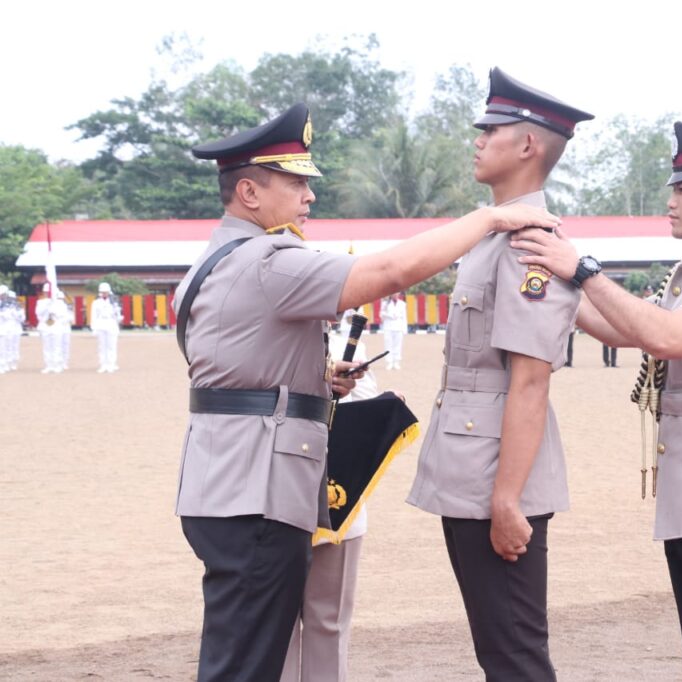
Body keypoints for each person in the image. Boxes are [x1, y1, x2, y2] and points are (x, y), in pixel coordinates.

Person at [176, 102, 558, 682]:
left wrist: (314, 380)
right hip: (257, 488)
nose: (309, 196)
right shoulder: (269, 259)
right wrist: (487, 219)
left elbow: (234, 363)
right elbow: (387, 273)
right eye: (296, 184)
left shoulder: (215, 257)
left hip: (222, 479)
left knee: (240, 647)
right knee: (246, 663)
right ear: (249, 192)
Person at [511, 120, 682, 681]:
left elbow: (664, 336)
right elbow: (622, 329)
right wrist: (552, 274)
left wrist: (582, 270)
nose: (670, 201)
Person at [406, 67, 593, 681]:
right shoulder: (495, 233)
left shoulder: (529, 241)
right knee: (499, 649)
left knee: (515, 654)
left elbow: (531, 379)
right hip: (473, 465)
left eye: (491, 130)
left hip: (496, 476)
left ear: (528, 144)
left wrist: (508, 498)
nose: (478, 140)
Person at [280, 334, 378, 682]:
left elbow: (366, 419)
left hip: (337, 508)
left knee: (329, 624)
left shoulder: (349, 346)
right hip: (274, 502)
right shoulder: (266, 336)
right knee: (276, 627)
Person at [90, 282, 120, 372]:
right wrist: (93, 327)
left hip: (111, 323)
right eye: (103, 292)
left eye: (106, 292)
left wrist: (117, 312)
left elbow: (117, 316)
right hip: (100, 323)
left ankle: (111, 364)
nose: (104, 293)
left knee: (111, 346)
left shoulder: (114, 302)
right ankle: (103, 365)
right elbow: (93, 315)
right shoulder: (96, 302)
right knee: (102, 346)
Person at [35, 284, 64, 374]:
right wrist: (46, 307)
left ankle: (57, 365)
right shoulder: (41, 302)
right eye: (46, 292)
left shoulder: (59, 303)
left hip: (56, 326)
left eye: (49, 292)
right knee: (47, 347)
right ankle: (48, 365)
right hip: (45, 326)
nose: (48, 294)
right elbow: (38, 314)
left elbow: (62, 315)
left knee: (57, 347)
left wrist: (54, 311)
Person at [0, 286, 25, 373]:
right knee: (3, 348)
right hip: (4, 328)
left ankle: (9, 363)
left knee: (10, 347)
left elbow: (22, 319)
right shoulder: (3, 306)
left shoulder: (15, 307)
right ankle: (4, 364)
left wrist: (16, 314)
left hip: (10, 329)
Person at [380, 292, 407, 369]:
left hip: (398, 327)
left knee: (398, 345)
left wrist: (404, 329)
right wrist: (389, 315)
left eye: (397, 293)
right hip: (388, 327)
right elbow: (381, 314)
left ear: (399, 294)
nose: (395, 295)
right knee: (388, 345)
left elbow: (404, 317)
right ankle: (389, 362)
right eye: (394, 293)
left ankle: (396, 362)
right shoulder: (385, 303)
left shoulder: (402, 304)